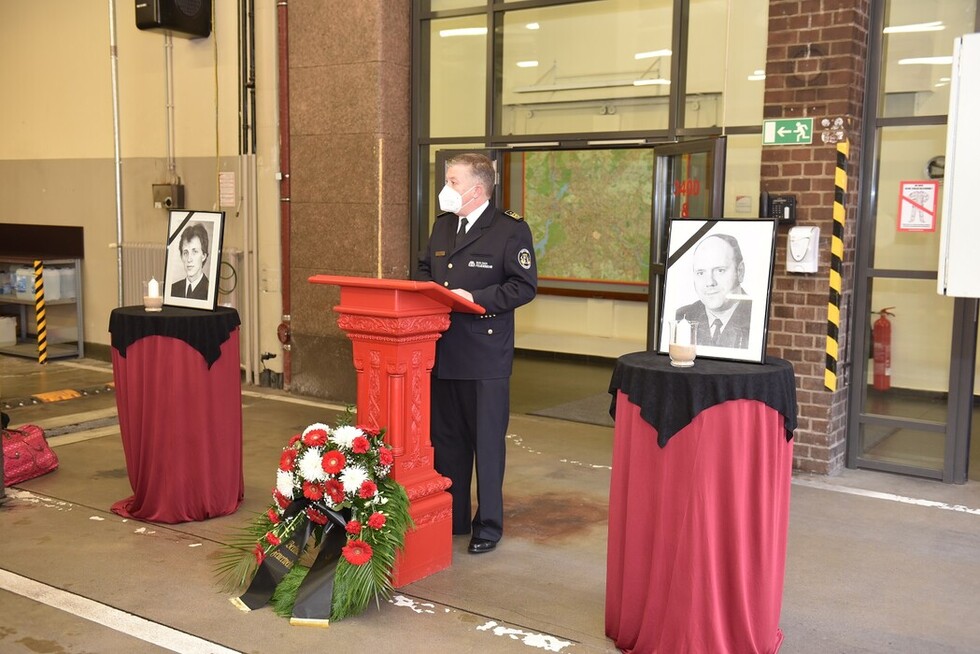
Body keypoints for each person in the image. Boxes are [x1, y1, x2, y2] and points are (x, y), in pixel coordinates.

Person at [416, 153, 537, 555]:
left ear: (477, 189)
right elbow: (422, 271)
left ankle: (488, 525)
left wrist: (477, 298)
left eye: (452, 181)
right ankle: (452, 518)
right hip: (444, 351)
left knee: (486, 445)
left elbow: (523, 286)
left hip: (485, 356)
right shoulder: (442, 226)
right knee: (447, 442)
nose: (445, 189)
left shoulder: (508, 230)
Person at [675, 233, 752, 348]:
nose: (709, 282)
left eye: (720, 270)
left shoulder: (756, 318)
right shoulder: (683, 317)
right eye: (701, 273)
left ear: (740, 271)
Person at [170, 223, 211, 300]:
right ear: (181, 257)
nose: (189, 259)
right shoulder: (172, 290)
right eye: (185, 253)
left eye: (194, 252)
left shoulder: (210, 290)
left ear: (204, 256)